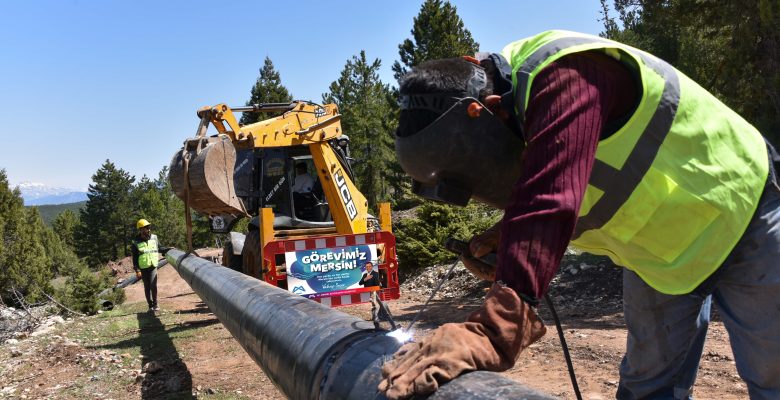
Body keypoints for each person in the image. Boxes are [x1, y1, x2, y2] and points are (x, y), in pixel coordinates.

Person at [380, 30, 780, 400]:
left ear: (492, 109)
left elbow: (551, 197)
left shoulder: (564, 75)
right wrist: (510, 233)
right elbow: (571, 183)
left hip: (743, 213)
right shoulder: (515, 116)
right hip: (661, 257)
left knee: (771, 375)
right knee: (646, 388)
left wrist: (494, 326)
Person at [131, 219, 170, 312]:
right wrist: (137, 270)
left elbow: (160, 248)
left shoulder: (154, 238)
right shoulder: (135, 242)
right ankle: (150, 305)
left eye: (149, 228)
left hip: (153, 266)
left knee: (153, 285)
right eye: (146, 228)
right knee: (147, 287)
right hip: (143, 268)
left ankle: (156, 304)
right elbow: (135, 257)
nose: (148, 230)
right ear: (140, 230)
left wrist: (168, 249)